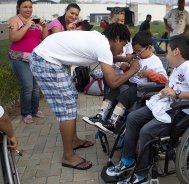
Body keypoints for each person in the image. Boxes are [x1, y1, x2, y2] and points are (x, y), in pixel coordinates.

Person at [29, 23, 140, 170]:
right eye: (123, 44)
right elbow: (113, 82)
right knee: (67, 106)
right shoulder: (103, 46)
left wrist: (125, 60)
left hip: (45, 57)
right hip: (45, 61)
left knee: (71, 99)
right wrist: (133, 70)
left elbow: (108, 58)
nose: (123, 49)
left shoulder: (99, 39)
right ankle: (68, 156)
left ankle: (73, 141)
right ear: (117, 38)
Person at [105, 35, 189, 183]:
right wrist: (167, 89)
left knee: (147, 130)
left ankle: (142, 175)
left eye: (168, 51)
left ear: (176, 51)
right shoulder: (178, 68)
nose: (166, 56)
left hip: (182, 111)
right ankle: (127, 161)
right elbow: (170, 85)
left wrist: (176, 93)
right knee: (133, 117)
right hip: (168, 105)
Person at [83, 31, 168, 133]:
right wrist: (126, 68)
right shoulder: (138, 57)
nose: (137, 54)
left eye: (139, 51)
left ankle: (113, 122)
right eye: (135, 51)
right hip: (130, 84)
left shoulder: (155, 61)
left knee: (125, 95)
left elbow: (164, 79)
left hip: (142, 89)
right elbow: (133, 72)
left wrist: (148, 74)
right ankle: (101, 115)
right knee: (114, 89)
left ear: (149, 48)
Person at [7, 0, 48, 124]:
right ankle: (26, 113)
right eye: (25, 7)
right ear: (18, 7)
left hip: (35, 58)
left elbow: (44, 39)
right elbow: (13, 38)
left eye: (30, 7)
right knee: (27, 86)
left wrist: (44, 26)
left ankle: (35, 110)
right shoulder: (14, 20)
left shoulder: (35, 20)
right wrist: (26, 25)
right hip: (19, 58)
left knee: (36, 87)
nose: (28, 9)